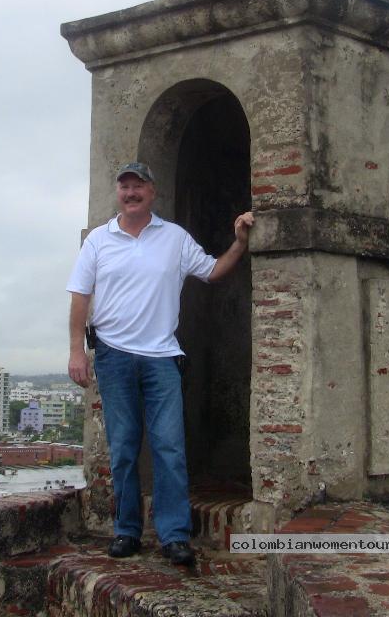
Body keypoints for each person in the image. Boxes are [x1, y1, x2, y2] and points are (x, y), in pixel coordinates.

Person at [67, 161, 253, 566]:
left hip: (162, 357)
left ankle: (173, 535)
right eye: (124, 187)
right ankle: (127, 531)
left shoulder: (174, 238)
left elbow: (212, 272)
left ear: (152, 192)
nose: (130, 193)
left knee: (170, 448)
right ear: (119, 192)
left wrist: (238, 243)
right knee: (124, 449)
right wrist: (76, 351)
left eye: (138, 186)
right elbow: (80, 297)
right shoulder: (99, 240)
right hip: (113, 355)